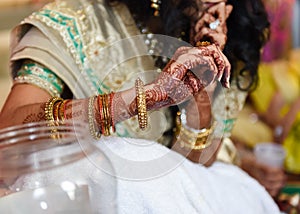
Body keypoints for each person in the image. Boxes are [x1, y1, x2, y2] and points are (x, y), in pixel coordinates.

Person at [0, 0, 281, 213]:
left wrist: (200, 96)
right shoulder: (78, 22)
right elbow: (7, 143)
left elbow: (195, 170)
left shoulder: (234, 35)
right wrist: (142, 99)